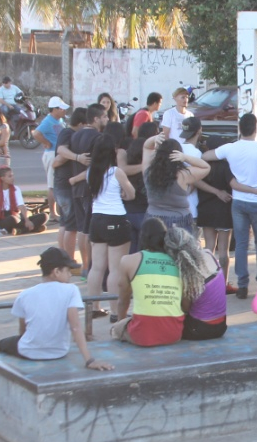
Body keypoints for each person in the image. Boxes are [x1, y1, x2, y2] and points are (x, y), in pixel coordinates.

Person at [0, 247, 113, 370]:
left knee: (1, 344)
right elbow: (75, 327)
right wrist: (89, 360)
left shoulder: (25, 294)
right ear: (56, 272)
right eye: (68, 271)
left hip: (28, 352)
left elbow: (23, 328)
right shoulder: (71, 290)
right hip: (59, 351)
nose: (70, 274)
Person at [202, 113, 257, 299]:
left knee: (241, 244)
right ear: (255, 128)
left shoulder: (230, 148)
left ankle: (242, 284)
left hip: (238, 202)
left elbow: (205, 155)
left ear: (239, 129)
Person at [112, 218, 185, 347]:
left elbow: (123, 300)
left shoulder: (129, 261)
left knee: (114, 330)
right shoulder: (178, 260)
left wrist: (120, 324)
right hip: (174, 333)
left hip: (143, 335)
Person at [85, 135, 136, 320]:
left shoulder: (91, 171)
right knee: (115, 269)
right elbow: (131, 194)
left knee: (97, 267)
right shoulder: (116, 172)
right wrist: (122, 193)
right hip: (115, 218)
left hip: (96, 219)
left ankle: (93, 307)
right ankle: (115, 311)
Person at [68, 104, 108, 272]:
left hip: (77, 189)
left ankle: (86, 266)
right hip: (89, 188)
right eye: (105, 116)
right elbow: (97, 167)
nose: (107, 119)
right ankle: (90, 267)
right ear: (96, 119)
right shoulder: (98, 138)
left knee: (82, 230)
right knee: (89, 230)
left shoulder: (76, 136)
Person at [169, 227, 228, 341]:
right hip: (221, 326)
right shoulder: (208, 254)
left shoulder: (188, 273)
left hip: (199, 329)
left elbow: (185, 308)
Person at [195, 136, 237, 294]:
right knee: (224, 251)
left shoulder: (202, 164)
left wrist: (213, 192)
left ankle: (207, 282)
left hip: (206, 209)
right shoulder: (227, 165)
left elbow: (195, 181)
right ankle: (223, 284)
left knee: (208, 249)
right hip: (223, 210)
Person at [143, 135, 210, 234]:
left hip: (152, 220)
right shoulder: (183, 175)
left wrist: (154, 139)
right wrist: (185, 158)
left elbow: (146, 147)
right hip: (178, 221)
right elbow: (206, 167)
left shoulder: (148, 172)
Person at [120, 120, 159, 255]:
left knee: (130, 251)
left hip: (127, 212)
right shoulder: (151, 171)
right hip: (144, 213)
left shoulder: (126, 171)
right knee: (143, 252)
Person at [52, 108, 86, 261]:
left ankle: (63, 258)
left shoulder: (69, 134)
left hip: (62, 184)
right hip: (65, 185)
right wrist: (78, 157)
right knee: (71, 226)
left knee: (65, 223)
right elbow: (60, 154)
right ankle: (69, 260)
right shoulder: (68, 134)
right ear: (80, 123)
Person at [33, 97, 70, 222]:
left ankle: (58, 211)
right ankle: (53, 213)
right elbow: (36, 133)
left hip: (57, 152)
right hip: (52, 153)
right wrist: (46, 142)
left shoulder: (59, 120)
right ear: (54, 109)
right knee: (52, 185)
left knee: (58, 183)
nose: (64, 111)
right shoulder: (48, 121)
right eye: (62, 109)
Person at [0, 166, 48, 236]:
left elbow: (21, 206)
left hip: (17, 216)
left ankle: (20, 230)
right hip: (4, 219)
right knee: (12, 219)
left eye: (12, 175)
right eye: (10, 176)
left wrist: (27, 220)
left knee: (44, 216)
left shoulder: (16, 189)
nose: (13, 178)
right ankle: (33, 228)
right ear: (2, 178)